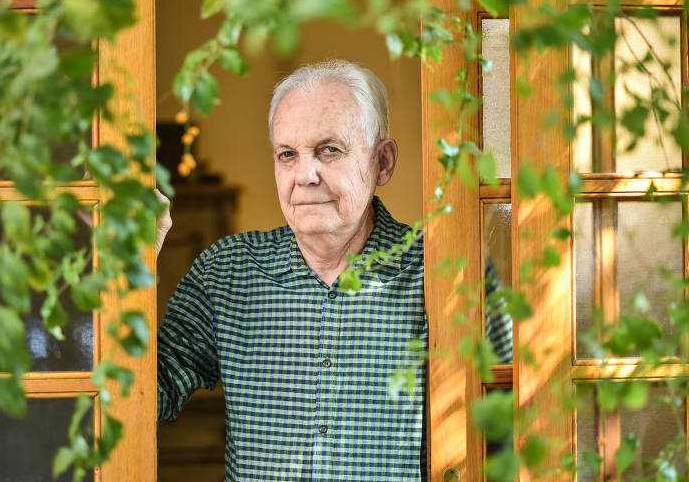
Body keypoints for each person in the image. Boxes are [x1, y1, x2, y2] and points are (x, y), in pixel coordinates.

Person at [155, 60, 509, 480]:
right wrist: (129, 262)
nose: (305, 175)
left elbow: (506, 433)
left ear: (383, 162)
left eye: (329, 150)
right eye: (287, 155)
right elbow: (143, 397)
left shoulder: (446, 272)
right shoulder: (226, 272)